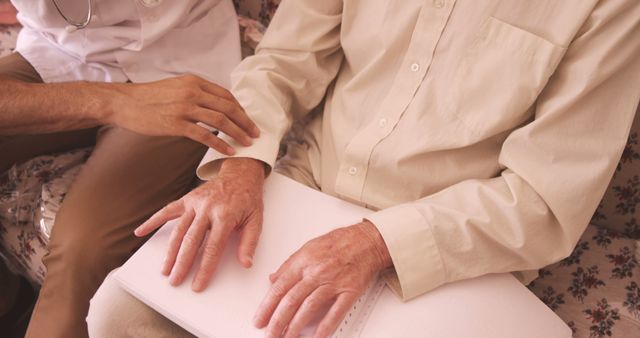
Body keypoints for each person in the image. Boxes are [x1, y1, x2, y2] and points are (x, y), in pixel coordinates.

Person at [88, 0, 640, 337]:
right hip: (305, 189)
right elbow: (282, 65)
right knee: (123, 312)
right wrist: (240, 167)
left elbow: (545, 199)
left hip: (445, 255)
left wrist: (375, 242)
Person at [0, 0, 259, 337]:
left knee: (82, 249)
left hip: (182, 63)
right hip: (57, 51)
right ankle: (7, 302)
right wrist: (113, 101)